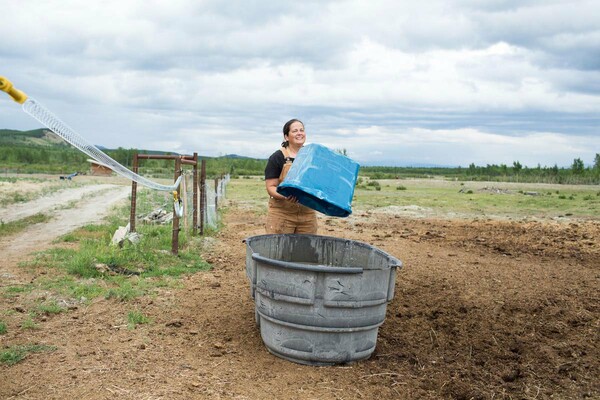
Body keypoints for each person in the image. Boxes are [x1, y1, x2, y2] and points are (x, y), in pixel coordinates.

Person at [264, 119, 318, 234]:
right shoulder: (277, 157)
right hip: (282, 214)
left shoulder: (312, 157)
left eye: (301, 130)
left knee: (306, 250)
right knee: (279, 250)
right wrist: (284, 196)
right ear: (286, 137)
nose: (299, 133)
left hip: (307, 215)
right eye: (295, 131)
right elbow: (271, 187)